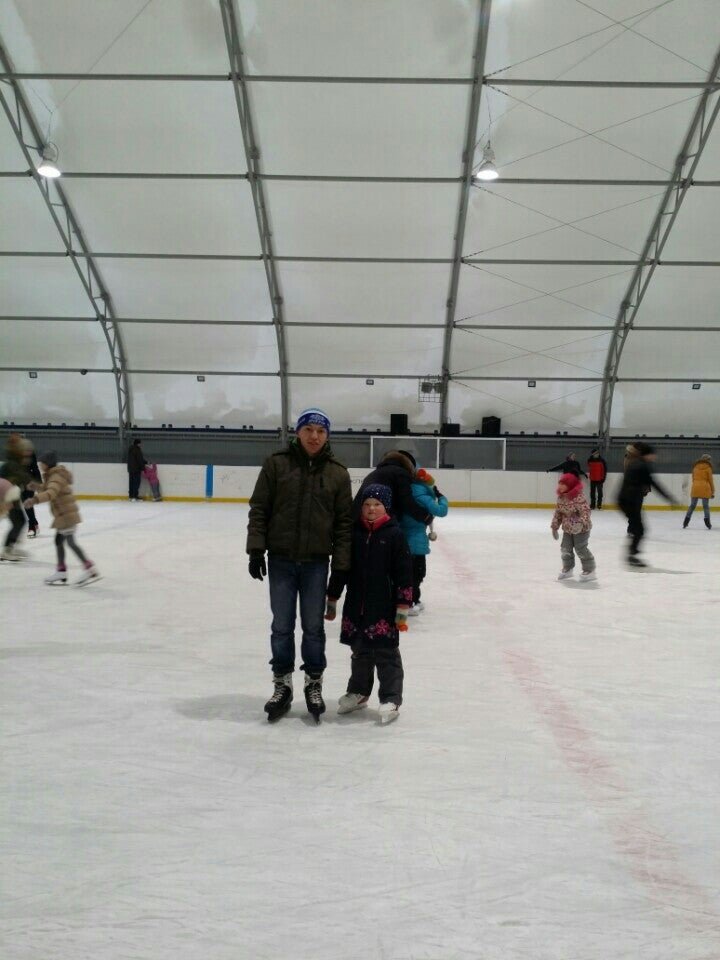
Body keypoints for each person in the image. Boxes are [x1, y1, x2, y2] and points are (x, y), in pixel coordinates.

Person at [246, 408, 352, 723]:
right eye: (309, 430)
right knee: (281, 626)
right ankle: (282, 685)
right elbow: (259, 508)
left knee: (313, 628)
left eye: (321, 431)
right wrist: (256, 549)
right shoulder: (277, 465)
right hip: (280, 560)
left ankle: (313, 684)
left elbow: (344, 526)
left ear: (327, 435)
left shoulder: (337, 473)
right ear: (299, 432)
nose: (315, 436)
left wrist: (341, 570)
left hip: (317, 563)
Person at [325, 484, 412, 725]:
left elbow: (404, 574)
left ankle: (391, 697)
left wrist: (403, 607)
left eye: (377, 504)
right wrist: (332, 598)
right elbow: (341, 569)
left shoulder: (395, 535)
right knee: (360, 651)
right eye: (366, 505)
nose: (371, 509)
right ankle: (360, 692)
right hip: (356, 605)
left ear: (386, 507)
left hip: (383, 606)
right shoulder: (355, 533)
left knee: (386, 653)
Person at [23, 451, 101, 586]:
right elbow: (48, 488)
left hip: (66, 515)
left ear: (47, 465)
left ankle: (89, 568)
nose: (40, 466)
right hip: (65, 514)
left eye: (41, 463)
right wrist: (36, 487)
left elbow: (51, 493)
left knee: (70, 543)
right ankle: (61, 571)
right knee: (59, 541)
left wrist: (34, 500)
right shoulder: (53, 475)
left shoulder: (55, 477)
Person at [399, 466, 449, 615]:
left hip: (401, 539)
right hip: (416, 542)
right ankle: (410, 601)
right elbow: (442, 511)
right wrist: (441, 497)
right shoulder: (424, 497)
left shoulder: (404, 494)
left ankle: (414, 599)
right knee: (417, 573)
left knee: (407, 573)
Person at [617, 442, 676, 567]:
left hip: (626, 500)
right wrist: (669, 498)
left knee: (637, 528)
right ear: (647, 455)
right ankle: (631, 556)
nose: (654, 457)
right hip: (630, 501)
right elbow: (654, 484)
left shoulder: (635, 464)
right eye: (653, 455)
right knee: (639, 529)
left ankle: (632, 554)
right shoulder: (642, 466)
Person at [355, 450, 433, 526]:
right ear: (409, 466)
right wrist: (425, 517)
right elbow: (406, 501)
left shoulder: (374, 473)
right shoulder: (400, 473)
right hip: (380, 523)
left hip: (360, 521)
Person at [551, 472, 596, 582]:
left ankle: (589, 570)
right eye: (559, 483)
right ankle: (568, 568)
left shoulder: (578, 497)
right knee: (565, 548)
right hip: (568, 530)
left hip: (581, 529)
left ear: (570, 485)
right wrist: (554, 527)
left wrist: (580, 523)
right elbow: (558, 514)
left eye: (563, 484)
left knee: (580, 549)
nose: (560, 486)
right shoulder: (561, 498)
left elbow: (586, 511)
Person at [0, 433, 32, 561]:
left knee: (19, 521)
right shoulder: (12, 464)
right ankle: (8, 550)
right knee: (19, 521)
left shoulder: (17, 462)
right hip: (7, 497)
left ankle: (11, 548)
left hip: (12, 496)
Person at [683, 454, 714, 530]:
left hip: (695, 487)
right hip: (705, 487)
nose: (710, 461)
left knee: (692, 505)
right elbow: (710, 481)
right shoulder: (708, 468)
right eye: (709, 459)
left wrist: (696, 484)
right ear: (707, 460)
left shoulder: (695, 467)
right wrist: (712, 491)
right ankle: (707, 521)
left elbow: (693, 478)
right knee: (705, 506)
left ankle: (686, 521)